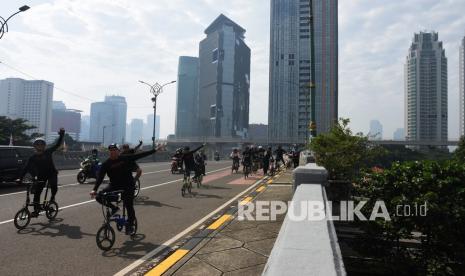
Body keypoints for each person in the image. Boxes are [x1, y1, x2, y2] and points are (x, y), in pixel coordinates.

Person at [90, 143, 163, 235]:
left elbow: (140, 155)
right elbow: (100, 177)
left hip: (128, 185)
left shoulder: (125, 158)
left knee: (128, 204)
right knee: (99, 196)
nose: (112, 152)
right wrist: (94, 190)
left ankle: (130, 224)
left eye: (114, 150)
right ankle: (114, 208)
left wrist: (155, 150)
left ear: (118, 151)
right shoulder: (106, 163)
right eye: (111, 151)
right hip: (114, 185)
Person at [21, 128, 65, 217]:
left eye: (41, 145)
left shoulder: (48, 152)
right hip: (41, 175)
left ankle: (52, 198)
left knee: (53, 185)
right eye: (38, 145)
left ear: (44, 146)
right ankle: (36, 210)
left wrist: (61, 135)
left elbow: (57, 145)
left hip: (52, 173)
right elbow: (26, 168)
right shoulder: (32, 157)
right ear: (35, 146)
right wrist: (21, 178)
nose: (40, 146)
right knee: (37, 192)